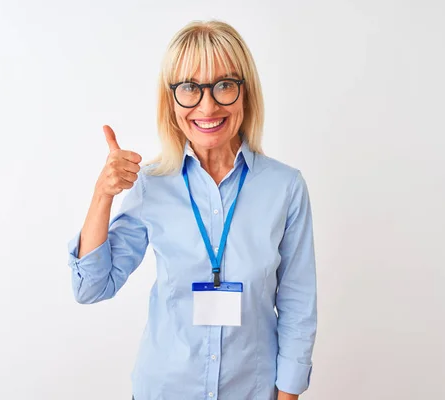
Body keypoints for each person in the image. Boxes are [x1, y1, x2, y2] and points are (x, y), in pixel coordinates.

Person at [67, 20, 317, 400]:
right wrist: (103, 195)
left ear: (246, 93)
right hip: (165, 389)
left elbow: (298, 304)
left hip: (251, 390)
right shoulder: (151, 183)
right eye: (189, 88)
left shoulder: (285, 188)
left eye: (224, 85)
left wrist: (288, 394)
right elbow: (91, 287)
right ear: (171, 100)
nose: (208, 105)